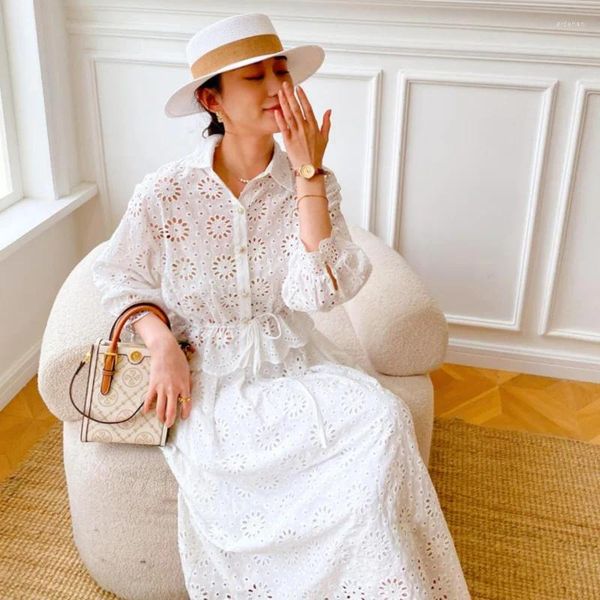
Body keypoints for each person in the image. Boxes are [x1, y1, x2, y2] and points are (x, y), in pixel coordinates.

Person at [92, 12, 471, 600]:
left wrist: (306, 172)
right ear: (211, 100)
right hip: (210, 379)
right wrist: (161, 341)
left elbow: (316, 294)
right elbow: (118, 276)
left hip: (296, 364)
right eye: (255, 77)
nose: (277, 87)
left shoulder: (312, 179)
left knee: (383, 417)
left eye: (281, 71)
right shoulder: (165, 192)